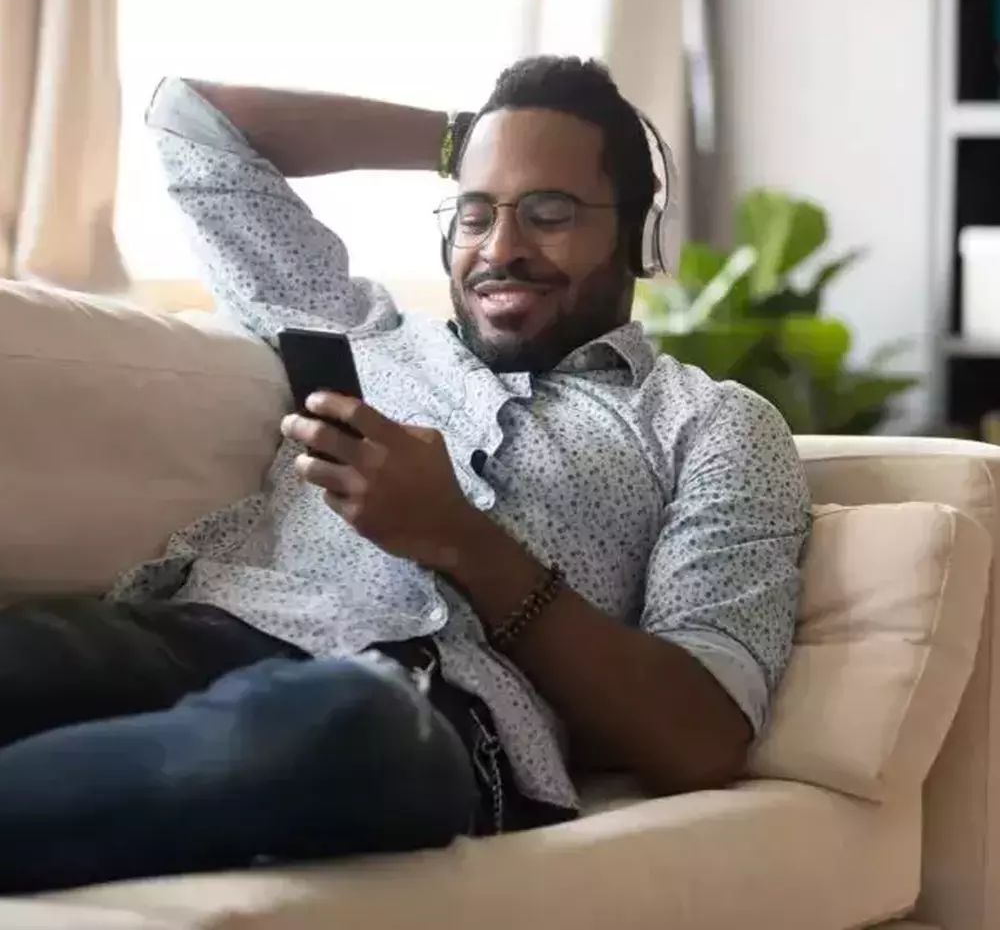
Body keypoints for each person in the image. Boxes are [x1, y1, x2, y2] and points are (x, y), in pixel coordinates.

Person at [0, 56, 811, 893]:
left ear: (638, 233)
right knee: (33, 656)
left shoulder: (710, 425)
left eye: (549, 213)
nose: (501, 248)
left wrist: (457, 537)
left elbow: (702, 734)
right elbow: (194, 121)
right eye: (475, 212)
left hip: (427, 712)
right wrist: (466, 136)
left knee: (345, 728)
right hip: (202, 631)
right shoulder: (357, 328)